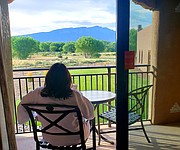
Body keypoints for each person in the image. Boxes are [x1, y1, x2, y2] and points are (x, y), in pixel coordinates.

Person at [18, 63, 94, 146]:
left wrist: (34, 114)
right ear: (67, 79)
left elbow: (22, 106)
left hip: (49, 137)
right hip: (75, 137)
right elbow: (90, 115)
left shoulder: (37, 93)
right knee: (88, 123)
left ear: (48, 78)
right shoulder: (75, 95)